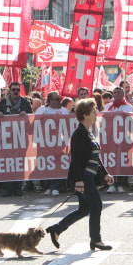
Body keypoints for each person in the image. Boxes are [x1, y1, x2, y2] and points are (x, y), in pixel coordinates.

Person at [46, 98, 115, 251]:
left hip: (89, 176)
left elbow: (95, 158)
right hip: (83, 178)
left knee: (84, 209)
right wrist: (78, 180)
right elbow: (76, 159)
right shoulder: (79, 133)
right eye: (93, 111)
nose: (96, 114)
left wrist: (105, 174)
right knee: (96, 205)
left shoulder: (88, 132)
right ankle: (96, 240)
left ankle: (57, 229)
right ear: (85, 115)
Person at [0, 82, 32, 196]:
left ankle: (17, 188)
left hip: (21, 138)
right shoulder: (2, 102)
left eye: (17, 89)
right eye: (13, 90)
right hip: (5, 138)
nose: (15, 92)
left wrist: (25, 114)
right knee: (6, 163)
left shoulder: (25, 103)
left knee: (19, 163)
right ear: (9, 91)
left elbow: (32, 117)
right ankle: (7, 188)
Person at [35, 91, 69, 196]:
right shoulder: (42, 110)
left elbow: (67, 126)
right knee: (46, 164)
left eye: (60, 99)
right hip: (44, 142)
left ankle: (55, 186)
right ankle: (47, 186)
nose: (60, 101)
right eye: (57, 99)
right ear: (50, 100)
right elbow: (35, 124)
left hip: (59, 142)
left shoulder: (64, 111)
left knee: (57, 164)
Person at [103, 86, 133, 193]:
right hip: (110, 138)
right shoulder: (108, 106)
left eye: (119, 92)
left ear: (123, 94)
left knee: (122, 161)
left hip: (124, 138)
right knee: (111, 161)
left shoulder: (129, 107)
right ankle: (111, 184)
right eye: (115, 92)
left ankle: (120, 183)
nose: (117, 94)